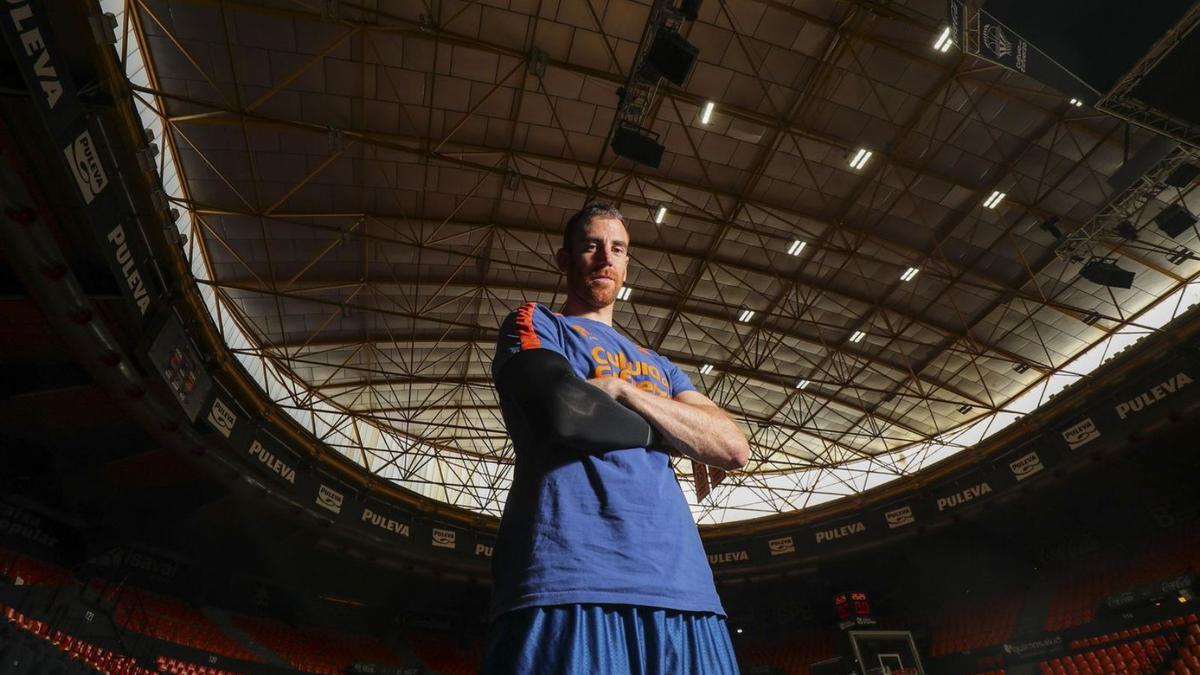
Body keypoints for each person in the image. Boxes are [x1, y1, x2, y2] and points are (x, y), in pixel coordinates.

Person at [482, 203, 750, 674]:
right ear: (565, 260)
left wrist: (624, 391)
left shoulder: (660, 365)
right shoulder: (540, 323)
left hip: (683, 587)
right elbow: (566, 413)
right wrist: (676, 435)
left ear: (627, 265)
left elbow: (732, 447)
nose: (606, 257)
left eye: (618, 249)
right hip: (572, 577)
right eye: (592, 245)